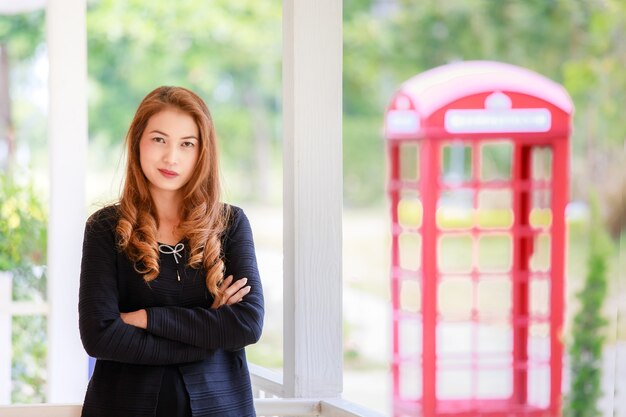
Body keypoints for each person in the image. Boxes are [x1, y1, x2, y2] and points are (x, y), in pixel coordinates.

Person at [78, 86, 264, 417]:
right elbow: (100, 337)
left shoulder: (231, 223)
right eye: (159, 140)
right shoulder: (104, 228)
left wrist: (147, 318)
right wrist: (211, 334)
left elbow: (247, 324)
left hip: (221, 407)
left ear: (202, 152)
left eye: (186, 144)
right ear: (137, 142)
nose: (171, 158)